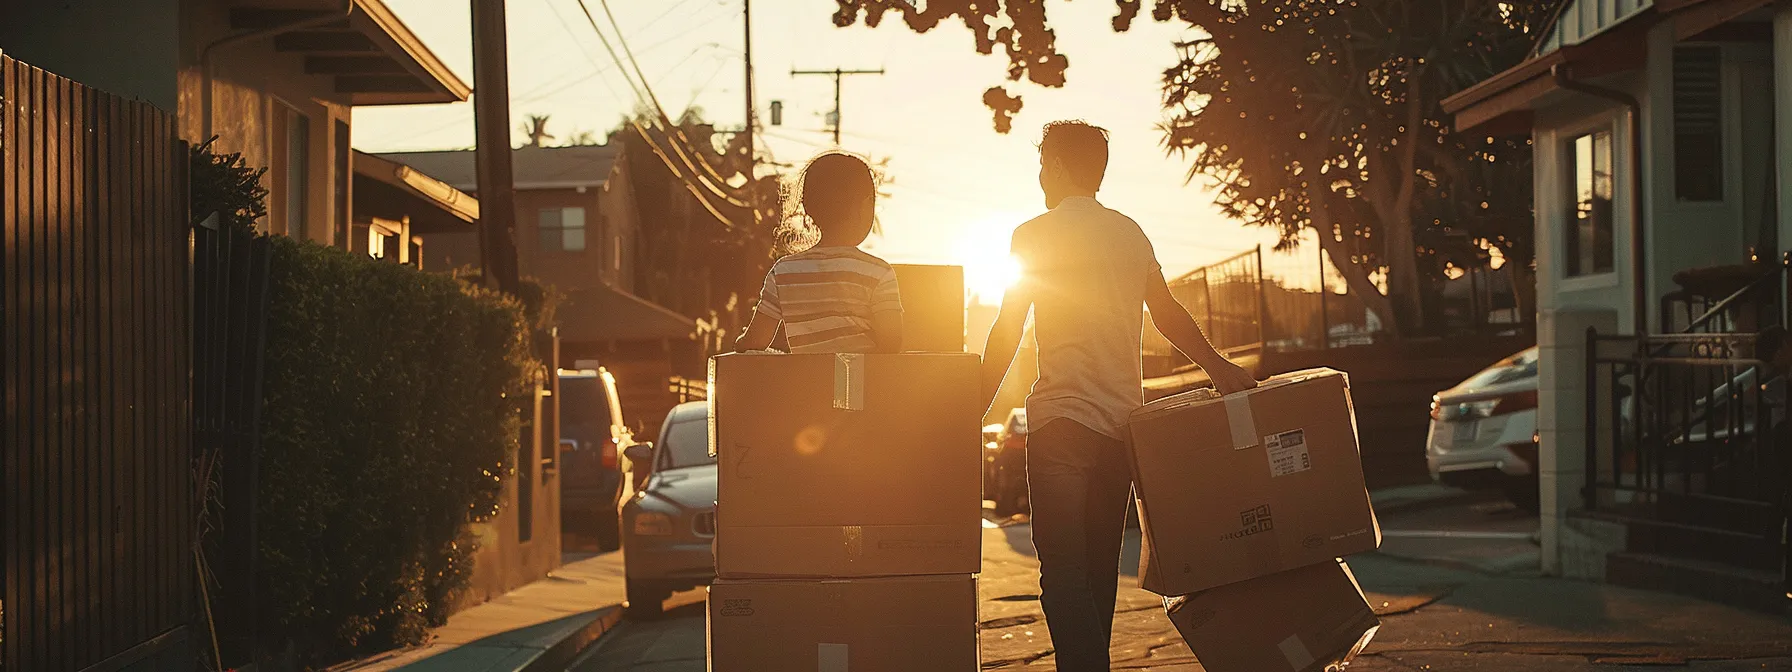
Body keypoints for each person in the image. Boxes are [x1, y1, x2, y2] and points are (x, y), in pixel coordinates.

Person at [980, 120, 1258, 671]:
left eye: (1042, 164)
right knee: (1100, 566)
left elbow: (1008, 327)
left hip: (1060, 423)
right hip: (1120, 431)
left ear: (1058, 166)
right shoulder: (1129, 233)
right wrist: (1219, 369)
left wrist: (969, 410)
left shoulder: (1033, 234)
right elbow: (1168, 313)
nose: (1039, 175)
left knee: (1063, 571)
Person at [736, 151, 903, 354]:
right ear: (865, 206)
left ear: (807, 207)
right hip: (861, 383)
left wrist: (741, 342)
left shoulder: (783, 272)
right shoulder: (878, 273)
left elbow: (755, 340)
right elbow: (892, 343)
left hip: (807, 383)